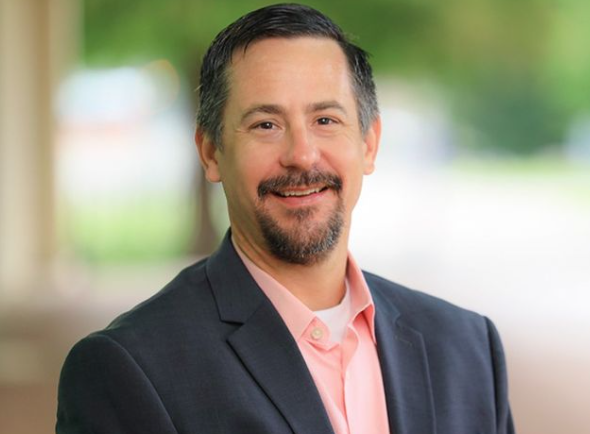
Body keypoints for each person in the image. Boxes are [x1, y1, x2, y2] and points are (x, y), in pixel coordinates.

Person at [56, 4, 515, 434]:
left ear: (369, 143)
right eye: (266, 125)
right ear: (211, 152)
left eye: (326, 120)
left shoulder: (467, 348)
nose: (302, 155)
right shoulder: (127, 368)